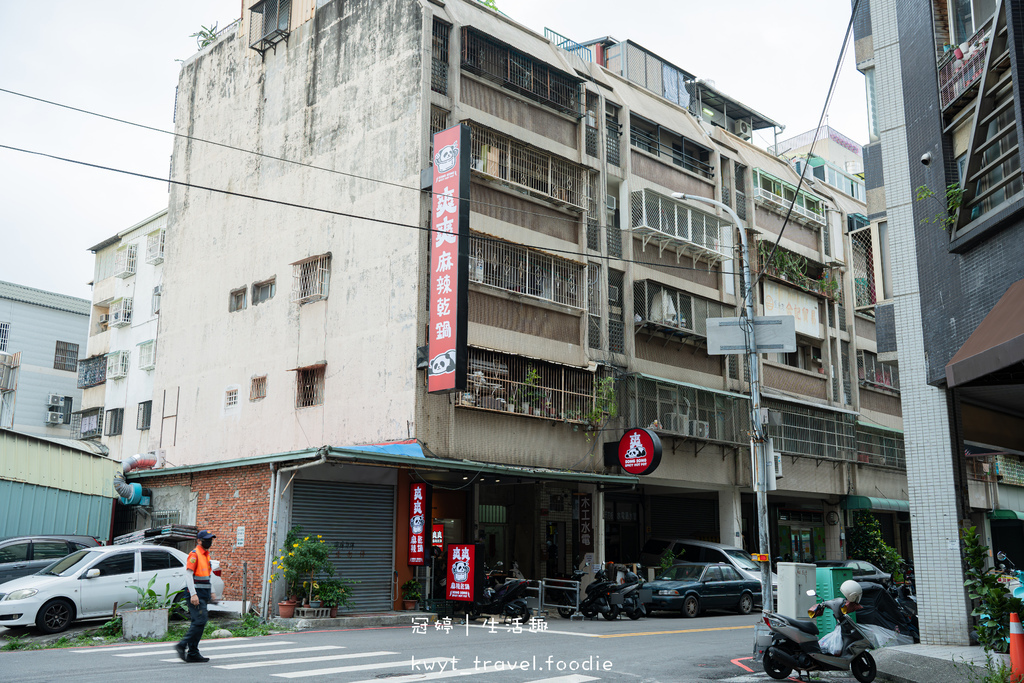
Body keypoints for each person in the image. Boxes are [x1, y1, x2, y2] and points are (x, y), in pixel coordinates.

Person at [175, 530, 217, 663]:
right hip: (195, 595)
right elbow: (188, 574)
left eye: (210, 539)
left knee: (199, 622)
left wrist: (212, 591)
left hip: (203, 594)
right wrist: (193, 594)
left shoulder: (206, 555)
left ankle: (193, 652)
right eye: (206, 539)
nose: (209, 542)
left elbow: (207, 576)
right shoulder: (194, 554)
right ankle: (182, 645)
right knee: (200, 620)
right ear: (199, 541)